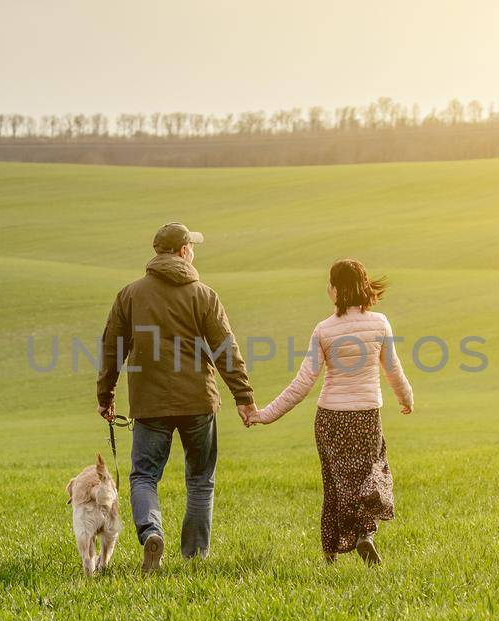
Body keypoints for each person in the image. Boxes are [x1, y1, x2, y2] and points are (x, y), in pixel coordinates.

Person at [97, 222, 257, 572]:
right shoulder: (204, 295)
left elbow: (112, 348)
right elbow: (225, 349)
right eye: (192, 246)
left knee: (144, 476)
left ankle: (152, 532)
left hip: (149, 403)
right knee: (200, 479)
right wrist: (243, 397)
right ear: (183, 251)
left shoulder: (130, 294)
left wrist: (105, 395)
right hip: (199, 400)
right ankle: (195, 558)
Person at [246, 259, 413, 566]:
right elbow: (393, 369)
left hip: (330, 419)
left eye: (330, 284)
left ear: (336, 290)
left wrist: (264, 414)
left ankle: (330, 554)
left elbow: (303, 383)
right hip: (366, 417)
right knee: (370, 478)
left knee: (335, 484)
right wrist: (406, 397)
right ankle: (366, 535)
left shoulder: (324, 330)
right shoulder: (380, 323)